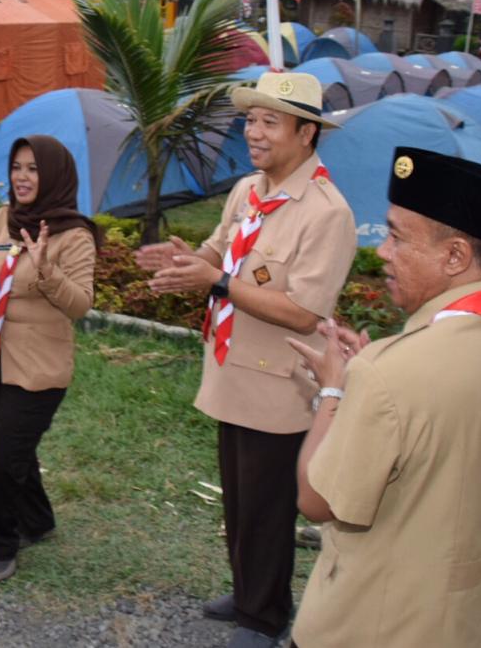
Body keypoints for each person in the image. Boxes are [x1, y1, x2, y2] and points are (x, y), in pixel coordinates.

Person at [287, 147, 481, 648]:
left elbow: (317, 501)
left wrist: (337, 391)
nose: (382, 251)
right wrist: (373, 390)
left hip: (376, 627)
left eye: (397, 236)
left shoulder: (390, 372)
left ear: (455, 256)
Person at [137, 71, 356, 648]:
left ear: (307, 133)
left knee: (267, 506)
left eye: (268, 122)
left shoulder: (325, 212)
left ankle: (264, 618)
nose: (252, 132)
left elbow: (305, 311)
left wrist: (217, 283)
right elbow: (218, 250)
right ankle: (248, 589)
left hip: (277, 386)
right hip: (232, 374)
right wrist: (189, 259)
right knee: (240, 497)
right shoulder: (249, 191)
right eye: (250, 120)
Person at [0, 135, 98, 582]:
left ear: (53, 174)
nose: (21, 177)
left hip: (40, 367)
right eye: (17, 167)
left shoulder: (74, 235)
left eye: (33, 168)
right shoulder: (5, 219)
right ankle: (38, 521)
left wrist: (48, 270)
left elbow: (81, 303)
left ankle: (3, 540)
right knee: (12, 450)